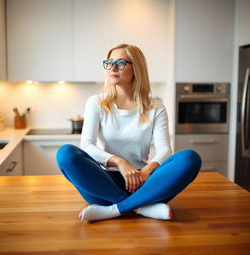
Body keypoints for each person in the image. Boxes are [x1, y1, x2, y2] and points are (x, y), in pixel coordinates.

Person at [56, 44, 202, 222]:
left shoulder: (155, 107)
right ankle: (141, 207)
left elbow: (165, 150)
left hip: (145, 184)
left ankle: (114, 209)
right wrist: (120, 163)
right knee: (65, 154)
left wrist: (146, 172)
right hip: (103, 184)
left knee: (189, 158)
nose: (112, 67)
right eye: (109, 62)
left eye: (120, 62)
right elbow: (87, 146)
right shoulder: (96, 102)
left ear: (136, 68)